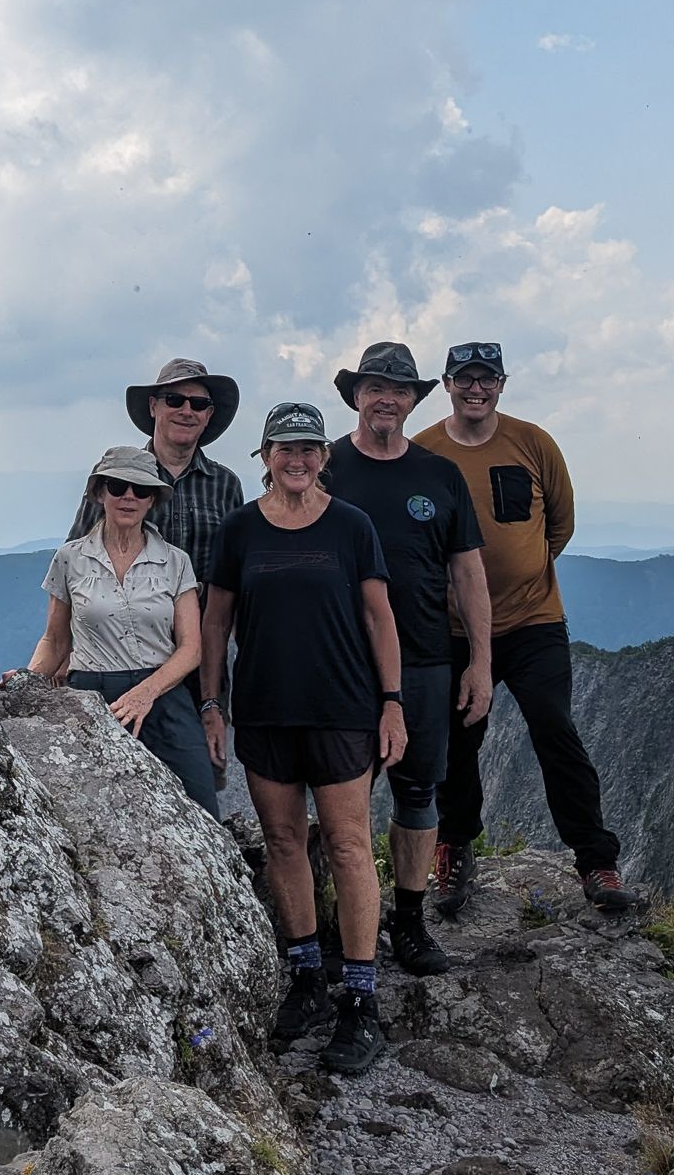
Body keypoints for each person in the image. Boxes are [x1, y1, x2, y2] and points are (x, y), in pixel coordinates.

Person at [200, 402, 405, 1074]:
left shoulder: (352, 527)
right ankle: (309, 979)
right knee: (285, 843)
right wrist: (212, 703)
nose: (297, 459)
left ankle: (362, 1002)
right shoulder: (239, 531)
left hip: (343, 709)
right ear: (263, 456)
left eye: (309, 448)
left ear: (324, 457)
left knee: (348, 845)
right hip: (264, 711)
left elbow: (380, 619)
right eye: (284, 448)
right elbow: (215, 623)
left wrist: (393, 703)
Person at [412, 340, 639, 913]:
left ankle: (596, 862)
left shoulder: (534, 443)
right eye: (465, 379)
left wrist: (524, 573)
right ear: (446, 384)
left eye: (486, 379)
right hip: (456, 631)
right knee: (457, 743)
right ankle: (455, 847)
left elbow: (558, 524)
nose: (476, 388)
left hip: (533, 621)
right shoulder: (425, 452)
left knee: (554, 729)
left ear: (502, 384)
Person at [323, 342, 493, 975]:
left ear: (415, 399)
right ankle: (349, 921)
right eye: (374, 387)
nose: (386, 398)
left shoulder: (439, 475)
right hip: (342, 660)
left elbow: (468, 571)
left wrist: (481, 661)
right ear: (356, 396)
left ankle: (410, 920)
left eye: (398, 389)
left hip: (425, 658)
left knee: (419, 790)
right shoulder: (327, 467)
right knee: (343, 797)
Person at [25, 446, 218, 814]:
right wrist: (26, 684)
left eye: (140, 490)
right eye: (117, 486)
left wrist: (146, 693)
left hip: (163, 695)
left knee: (200, 807)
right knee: (94, 814)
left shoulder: (176, 562)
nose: (128, 496)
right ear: (99, 494)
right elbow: (55, 639)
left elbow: (191, 648)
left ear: (153, 500)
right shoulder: (69, 559)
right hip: (91, 697)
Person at [66, 358, 247, 718]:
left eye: (198, 403)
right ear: (154, 407)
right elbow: (76, 564)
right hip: (118, 657)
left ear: (209, 415)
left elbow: (234, 576)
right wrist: (60, 654)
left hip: (202, 659)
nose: (186, 410)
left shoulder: (226, 486)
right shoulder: (116, 479)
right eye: (174, 400)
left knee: (206, 766)